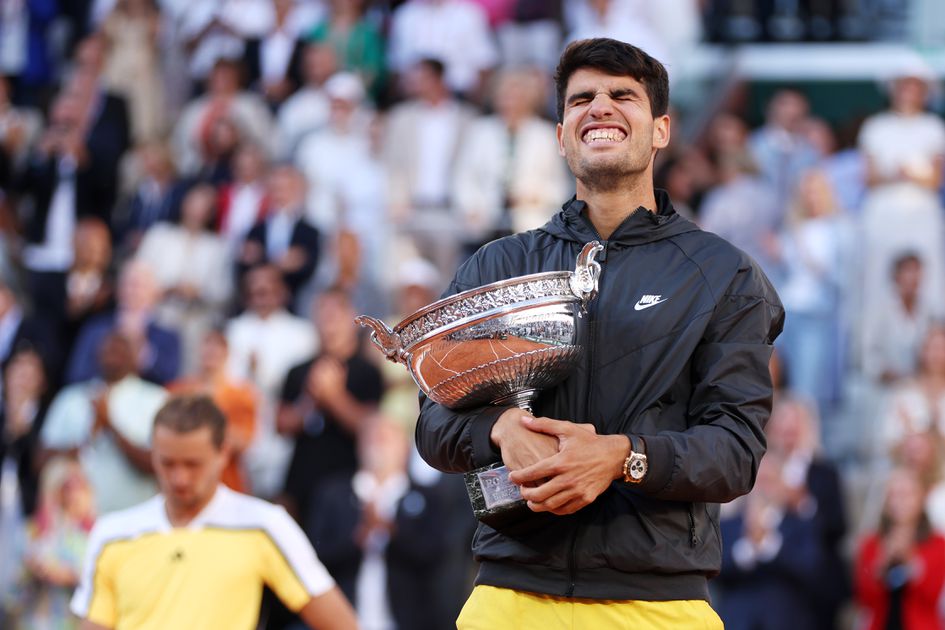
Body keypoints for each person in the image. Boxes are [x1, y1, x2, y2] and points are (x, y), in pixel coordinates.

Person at [415, 38, 784, 627]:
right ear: (561, 135)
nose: (601, 107)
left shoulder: (723, 274)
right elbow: (433, 423)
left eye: (623, 96)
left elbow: (735, 452)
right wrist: (502, 429)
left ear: (661, 129)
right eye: (581, 98)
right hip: (510, 598)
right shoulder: (496, 265)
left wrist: (622, 458)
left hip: (659, 606)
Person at [70, 394, 358, 630]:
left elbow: (341, 624)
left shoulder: (264, 525)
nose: (180, 477)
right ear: (153, 454)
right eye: (168, 463)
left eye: (193, 464)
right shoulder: (112, 533)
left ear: (223, 454)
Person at [854, 467, 945, 630]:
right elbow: (864, 599)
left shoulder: (937, 543)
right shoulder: (871, 543)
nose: (899, 502)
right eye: (893, 495)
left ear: (921, 498)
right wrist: (882, 563)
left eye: (906, 494)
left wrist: (910, 560)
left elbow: (932, 597)